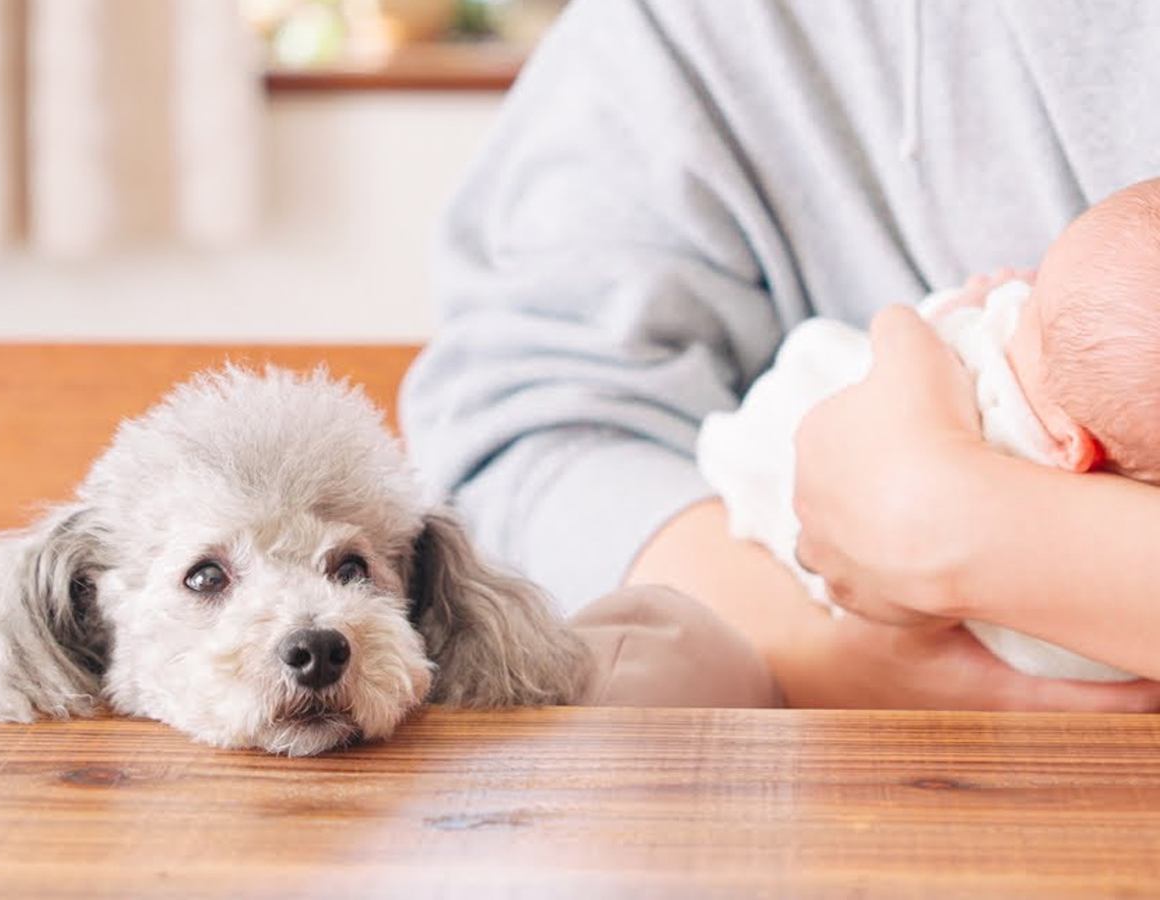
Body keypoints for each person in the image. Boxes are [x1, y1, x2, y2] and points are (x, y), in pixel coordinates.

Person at [401, 0, 1160, 711]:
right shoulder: (690, 35)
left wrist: (960, 528)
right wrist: (821, 652)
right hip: (856, 767)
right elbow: (528, 427)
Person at [700, 178, 1160, 683]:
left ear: (1071, 447)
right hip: (794, 602)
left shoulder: (1015, 411)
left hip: (810, 469)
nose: (1014, 294)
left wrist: (957, 310)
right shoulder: (1091, 398)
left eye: (1029, 307)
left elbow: (942, 341)